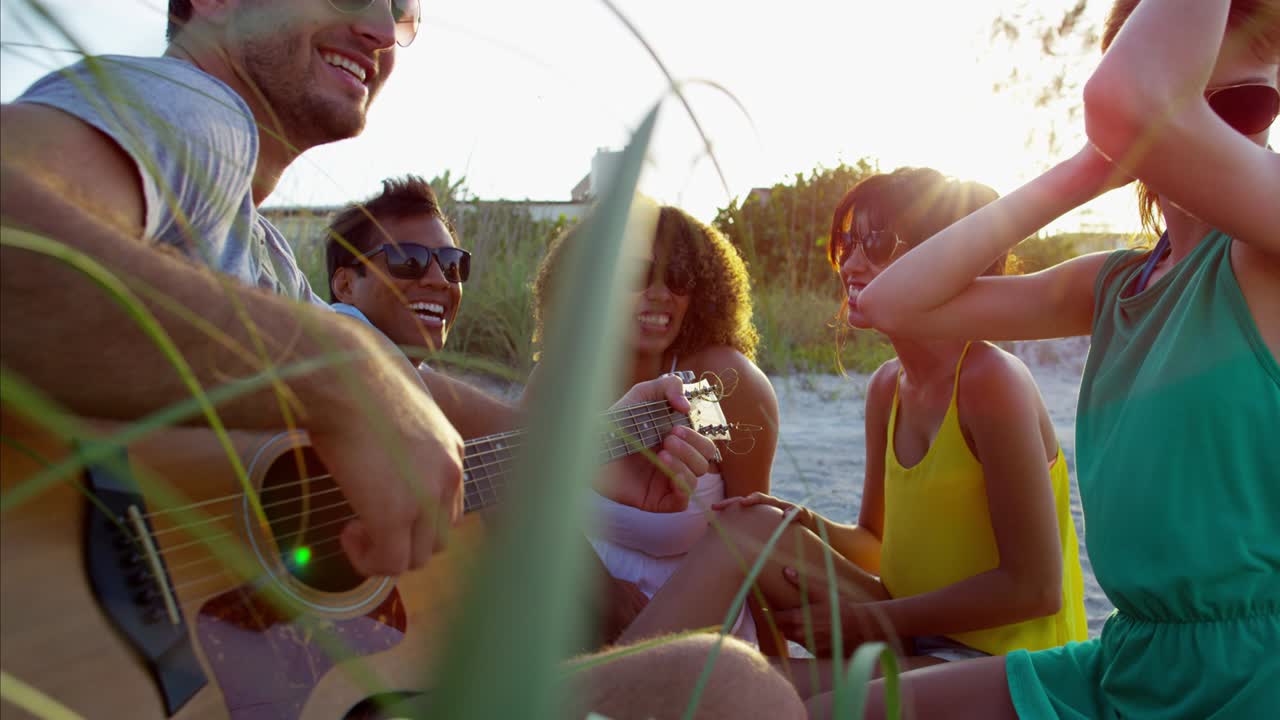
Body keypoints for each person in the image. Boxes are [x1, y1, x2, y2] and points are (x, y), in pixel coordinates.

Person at [0, 2, 803, 717]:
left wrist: (601, 438)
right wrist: (337, 367)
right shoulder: (197, 112)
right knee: (733, 689)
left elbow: (416, 411)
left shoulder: (265, 261)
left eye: (400, 8)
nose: (382, 30)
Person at [828, 0, 1279, 717]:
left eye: (1248, 104)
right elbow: (892, 303)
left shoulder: (1268, 253)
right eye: (1185, 106)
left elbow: (1132, 95)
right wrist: (1087, 171)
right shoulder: (1115, 283)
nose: (1201, 132)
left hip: (1253, 674)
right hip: (1130, 657)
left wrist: (1145, 120)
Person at [616, 171, 1088, 694]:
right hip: (909, 630)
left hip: (998, 662)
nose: (850, 264)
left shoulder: (990, 383)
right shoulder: (888, 386)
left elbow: (1036, 589)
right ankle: (607, 684)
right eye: (846, 244)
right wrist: (804, 521)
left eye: (877, 242)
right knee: (749, 523)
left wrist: (876, 620)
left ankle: (604, 691)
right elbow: (875, 544)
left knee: (721, 686)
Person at [530, 204, 780, 643]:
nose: (662, 293)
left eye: (678, 277)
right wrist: (601, 593)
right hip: (583, 625)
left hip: (698, 643)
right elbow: (530, 520)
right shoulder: (561, 382)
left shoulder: (706, 387)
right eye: (637, 275)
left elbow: (749, 536)